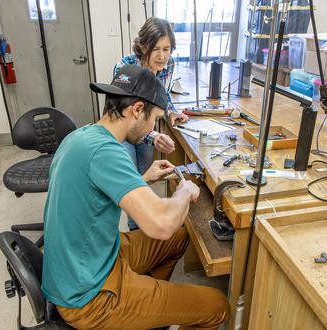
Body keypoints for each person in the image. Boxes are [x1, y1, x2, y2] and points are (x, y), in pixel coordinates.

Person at [42, 65, 229, 330]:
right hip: (88, 297)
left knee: (180, 237)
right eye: (154, 119)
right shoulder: (107, 152)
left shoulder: (81, 137)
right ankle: (139, 307)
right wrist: (184, 193)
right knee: (216, 305)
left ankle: (149, 313)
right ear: (137, 109)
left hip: (88, 261)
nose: (153, 127)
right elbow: (162, 224)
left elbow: (92, 193)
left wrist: (142, 179)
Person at [115, 17, 189, 230]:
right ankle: (136, 230)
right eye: (156, 49)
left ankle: (143, 222)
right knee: (132, 181)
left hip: (148, 129)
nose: (162, 56)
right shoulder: (125, 67)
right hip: (126, 131)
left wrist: (171, 111)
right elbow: (127, 117)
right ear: (143, 46)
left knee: (145, 176)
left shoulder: (168, 65)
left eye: (167, 49)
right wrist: (154, 136)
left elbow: (162, 94)